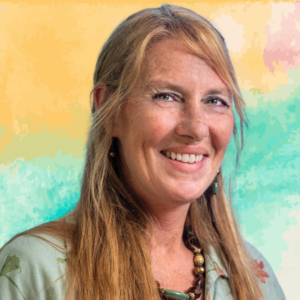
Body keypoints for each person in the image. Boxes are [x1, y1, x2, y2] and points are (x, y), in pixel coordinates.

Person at [0, 5, 285, 300]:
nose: (197, 128)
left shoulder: (253, 275)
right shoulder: (35, 269)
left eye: (215, 100)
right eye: (167, 96)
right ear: (108, 109)